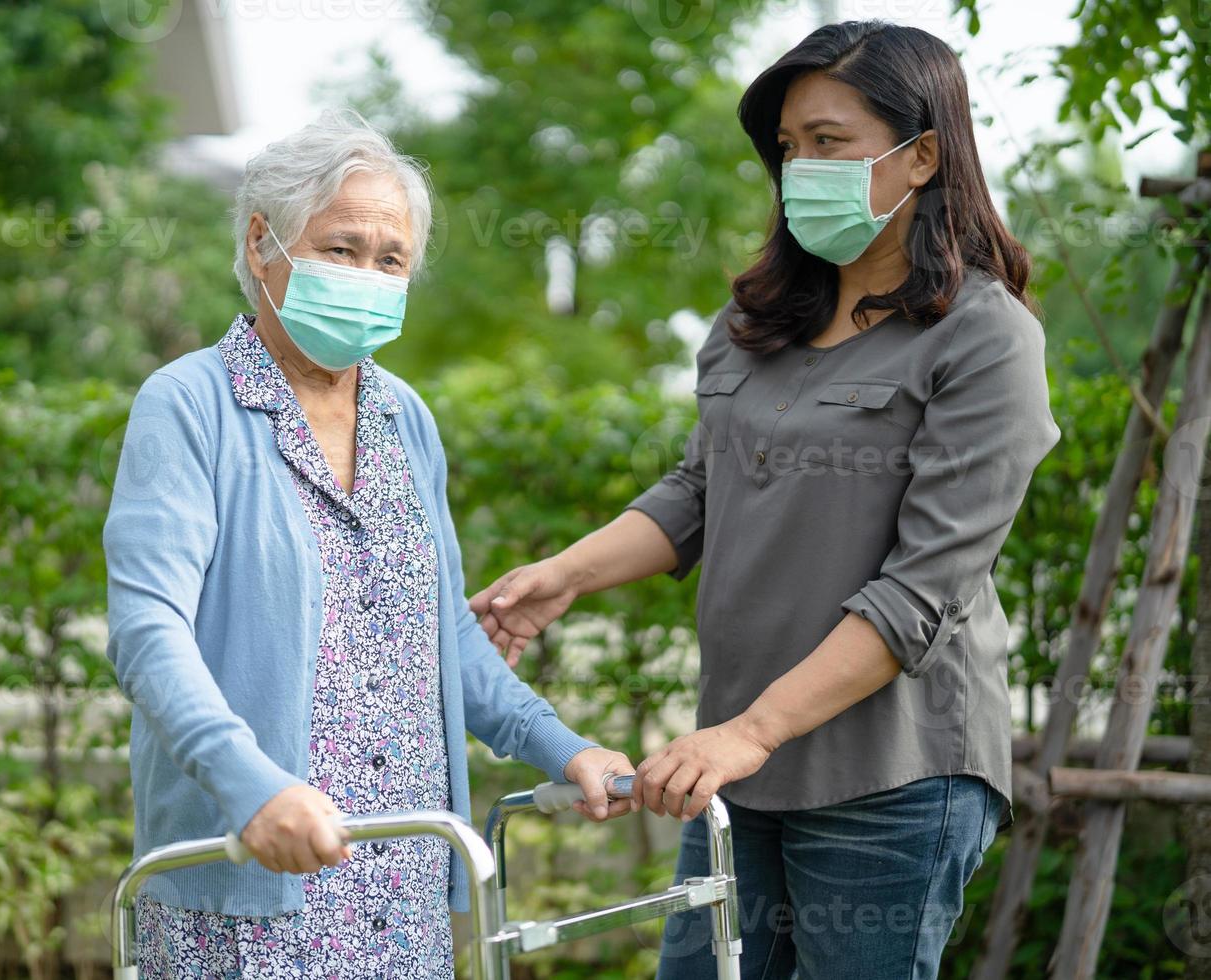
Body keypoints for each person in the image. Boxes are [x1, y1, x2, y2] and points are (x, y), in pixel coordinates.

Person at [471, 21, 1061, 980]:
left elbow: (923, 591)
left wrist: (749, 731)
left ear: (922, 157)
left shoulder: (983, 339)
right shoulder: (757, 327)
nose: (801, 169)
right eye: (789, 148)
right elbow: (700, 490)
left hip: (892, 775)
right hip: (740, 770)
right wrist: (562, 576)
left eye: (829, 142)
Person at [103, 109, 634, 980]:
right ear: (261, 243)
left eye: (391, 260)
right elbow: (147, 631)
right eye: (341, 250)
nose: (368, 276)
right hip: (254, 873)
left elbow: (446, 638)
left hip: (403, 878)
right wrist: (251, 788)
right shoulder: (188, 404)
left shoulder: (402, 418)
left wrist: (564, 748)